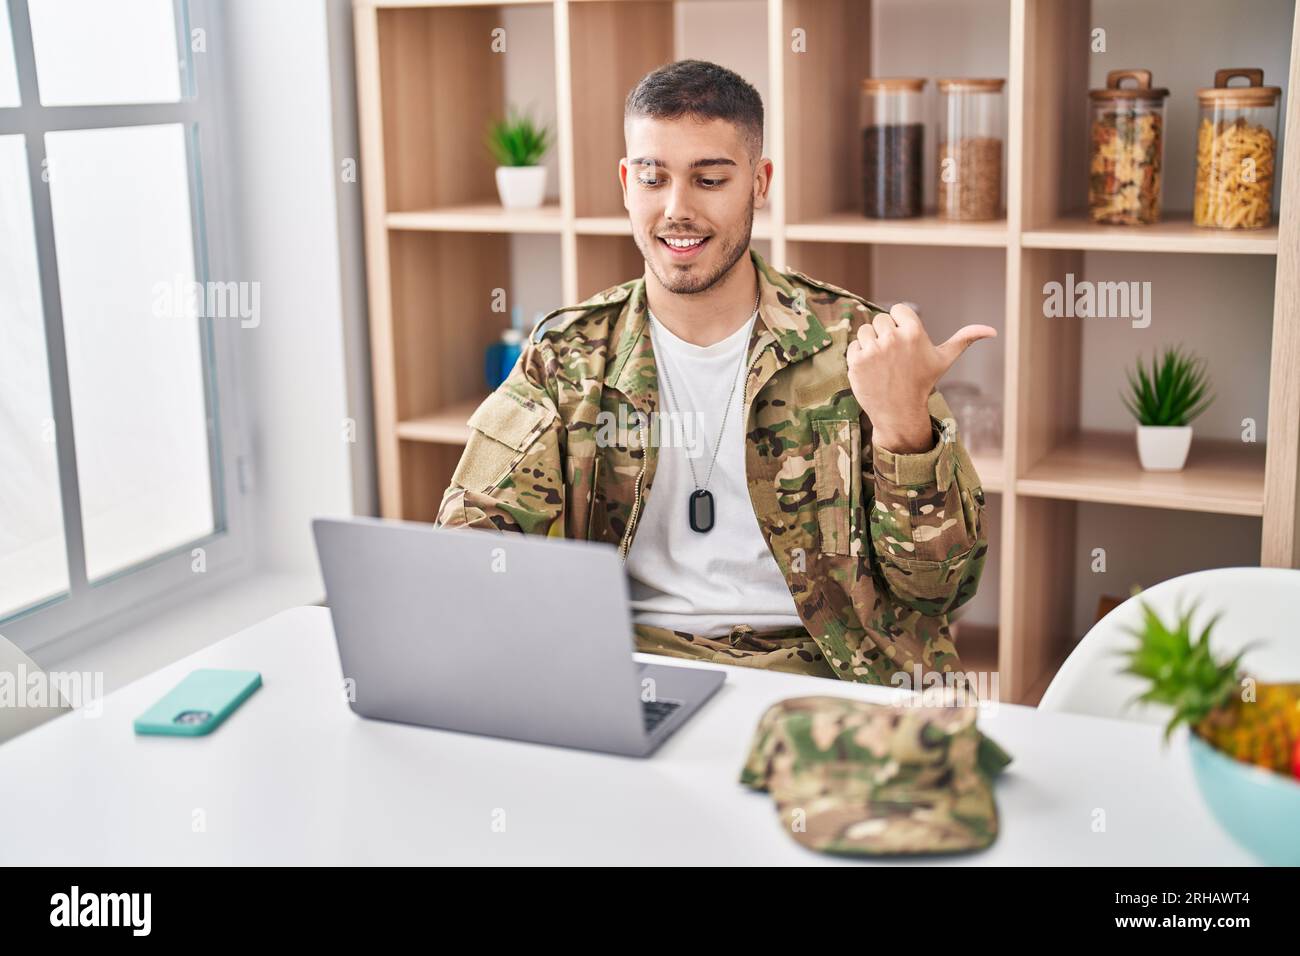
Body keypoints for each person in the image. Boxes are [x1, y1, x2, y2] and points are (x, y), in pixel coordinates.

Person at [437, 59, 994, 686]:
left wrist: (904, 432)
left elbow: (941, 591)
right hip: (630, 667)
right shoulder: (569, 354)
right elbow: (471, 547)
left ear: (759, 183)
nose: (677, 210)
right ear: (626, 182)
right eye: (652, 178)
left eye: (709, 180)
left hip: (829, 675)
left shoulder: (861, 349)